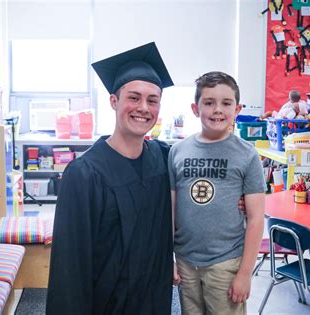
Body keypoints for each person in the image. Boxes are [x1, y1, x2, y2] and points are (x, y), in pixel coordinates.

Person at [46, 42, 174, 314]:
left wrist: (237, 200)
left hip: (154, 301)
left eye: (152, 100)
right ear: (114, 102)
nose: (143, 108)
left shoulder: (164, 159)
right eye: (134, 97)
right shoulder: (84, 175)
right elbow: (69, 268)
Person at [169, 71, 265, 314]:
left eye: (226, 103)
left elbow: (255, 219)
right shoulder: (177, 151)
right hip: (185, 261)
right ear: (195, 108)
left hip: (226, 263)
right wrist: (168, 258)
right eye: (209, 103)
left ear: (238, 108)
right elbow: (171, 209)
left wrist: (245, 274)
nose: (217, 110)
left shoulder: (247, 154)